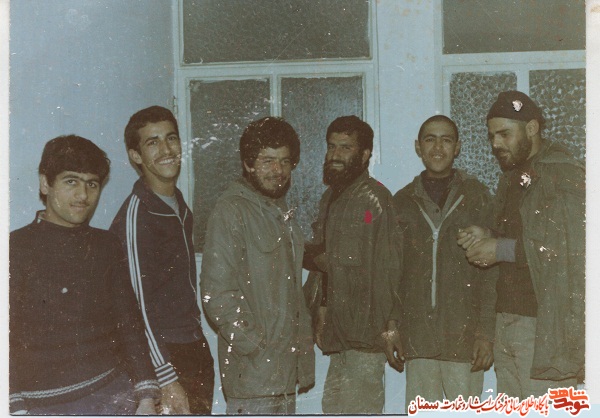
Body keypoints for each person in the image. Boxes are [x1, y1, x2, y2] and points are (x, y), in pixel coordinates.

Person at [9, 135, 160, 415]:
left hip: (113, 394)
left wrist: (147, 396)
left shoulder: (106, 245)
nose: (83, 196)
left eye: (92, 184)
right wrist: (15, 408)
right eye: (71, 182)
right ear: (45, 184)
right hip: (41, 406)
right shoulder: (14, 248)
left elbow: (129, 322)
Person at [457, 91, 585, 399]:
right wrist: (485, 233)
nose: (496, 144)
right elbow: (519, 233)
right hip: (507, 320)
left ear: (531, 128)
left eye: (504, 134)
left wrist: (498, 249)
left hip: (544, 325)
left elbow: (567, 249)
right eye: (491, 136)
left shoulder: (563, 174)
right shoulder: (513, 177)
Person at [200, 116, 315, 415]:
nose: (278, 170)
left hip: (283, 376)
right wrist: (256, 347)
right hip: (253, 381)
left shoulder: (278, 211)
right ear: (248, 164)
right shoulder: (231, 210)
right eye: (267, 161)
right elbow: (217, 295)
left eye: (285, 161)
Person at [384, 115, 496, 408]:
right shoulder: (401, 201)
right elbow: (391, 272)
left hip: (464, 337)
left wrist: (486, 333)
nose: (437, 148)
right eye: (430, 139)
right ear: (417, 147)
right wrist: (391, 326)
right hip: (418, 338)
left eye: (446, 140)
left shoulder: (477, 196)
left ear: (457, 147)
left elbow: (490, 274)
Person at [110, 106, 214, 414]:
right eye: (152, 142)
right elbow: (135, 307)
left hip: (193, 347)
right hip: (164, 359)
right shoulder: (137, 215)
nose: (166, 150)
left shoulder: (178, 205)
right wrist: (166, 378)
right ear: (136, 156)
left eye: (171, 138)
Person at [302, 115, 401, 414]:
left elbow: (390, 270)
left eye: (345, 148)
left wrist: (391, 328)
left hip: (366, 337)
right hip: (337, 333)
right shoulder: (330, 198)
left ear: (365, 154)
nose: (335, 155)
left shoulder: (376, 200)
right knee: (332, 408)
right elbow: (325, 266)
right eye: (331, 146)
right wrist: (320, 310)